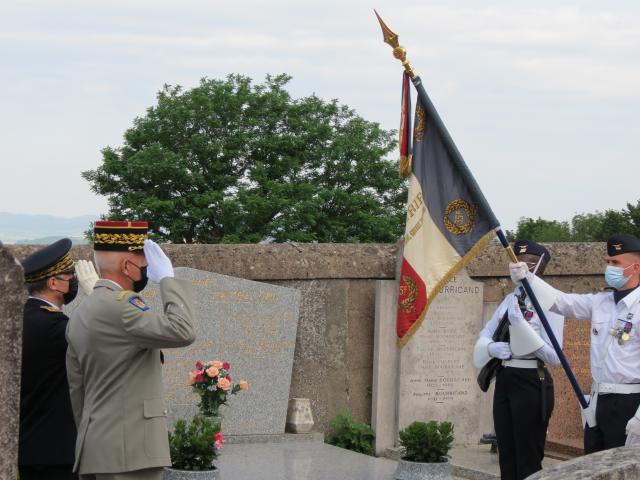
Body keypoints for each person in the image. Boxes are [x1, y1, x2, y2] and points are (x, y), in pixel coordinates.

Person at [66, 221, 196, 480]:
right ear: (128, 267)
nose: (148, 273)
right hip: (130, 453)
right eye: (145, 267)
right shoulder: (123, 307)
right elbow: (183, 330)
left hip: (97, 449)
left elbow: (77, 390)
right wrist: (168, 279)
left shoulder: (81, 313)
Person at [510, 233, 640, 454]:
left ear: (635, 268)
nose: (610, 267)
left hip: (628, 402)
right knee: (593, 467)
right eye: (608, 261)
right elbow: (562, 302)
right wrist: (529, 279)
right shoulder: (601, 301)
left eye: (616, 263)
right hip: (598, 400)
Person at [474, 240, 564, 480]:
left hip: (531, 379)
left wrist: (523, 331)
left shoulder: (550, 301)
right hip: (505, 378)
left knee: (528, 456)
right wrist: (492, 348)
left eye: (528, 264)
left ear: (540, 268)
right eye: (517, 263)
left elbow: (555, 355)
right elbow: (485, 333)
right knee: (507, 451)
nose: (521, 268)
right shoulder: (510, 299)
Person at [18, 238, 98, 480]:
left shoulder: (19, 319)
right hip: (56, 450)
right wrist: (98, 296)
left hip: (28, 443)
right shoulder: (55, 327)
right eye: (69, 276)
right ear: (54, 283)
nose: (74, 281)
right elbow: (110, 342)